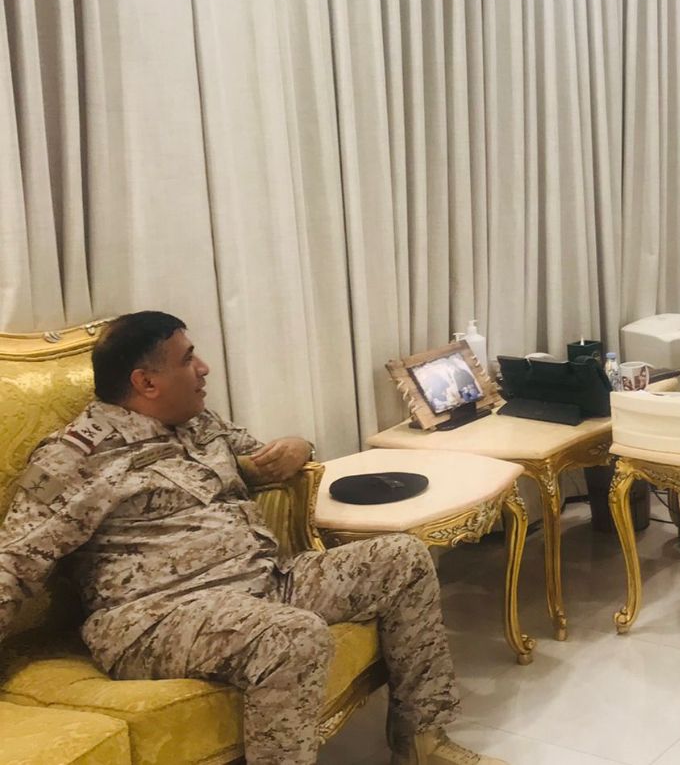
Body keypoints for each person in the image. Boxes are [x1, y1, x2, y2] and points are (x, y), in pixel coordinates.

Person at [0, 311, 505, 765]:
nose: (204, 369)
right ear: (145, 381)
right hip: (155, 617)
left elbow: (267, 457)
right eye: (187, 359)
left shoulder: (198, 423)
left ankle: (422, 744)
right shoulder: (76, 457)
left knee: (403, 557)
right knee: (292, 637)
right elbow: (15, 560)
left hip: (262, 582)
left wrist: (299, 446)